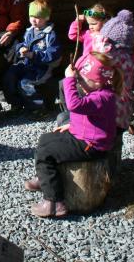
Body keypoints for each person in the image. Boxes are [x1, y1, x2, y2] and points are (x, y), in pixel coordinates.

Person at [26, 52, 120, 218]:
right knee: (45, 139)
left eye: (82, 80)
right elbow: (89, 116)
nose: (79, 84)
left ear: (98, 81)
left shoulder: (104, 97)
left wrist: (69, 79)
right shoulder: (98, 92)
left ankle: (53, 202)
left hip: (91, 145)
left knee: (45, 154)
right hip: (84, 136)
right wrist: (72, 125)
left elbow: (75, 105)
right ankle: (45, 178)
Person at [3, 0, 62, 112]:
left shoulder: (50, 35)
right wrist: (21, 48)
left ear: (46, 17)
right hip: (26, 64)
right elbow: (23, 43)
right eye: (32, 17)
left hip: (41, 68)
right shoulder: (30, 31)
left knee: (25, 83)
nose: (34, 20)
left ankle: (38, 108)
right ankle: (16, 104)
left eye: (38, 18)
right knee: (10, 74)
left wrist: (34, 55)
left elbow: (53, 54)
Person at [99, 9, 134, 132]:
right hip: (123, 110)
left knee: (107, 140)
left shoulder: (112, 58)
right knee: (116, 141)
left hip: (110, 109)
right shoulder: (129, 60)